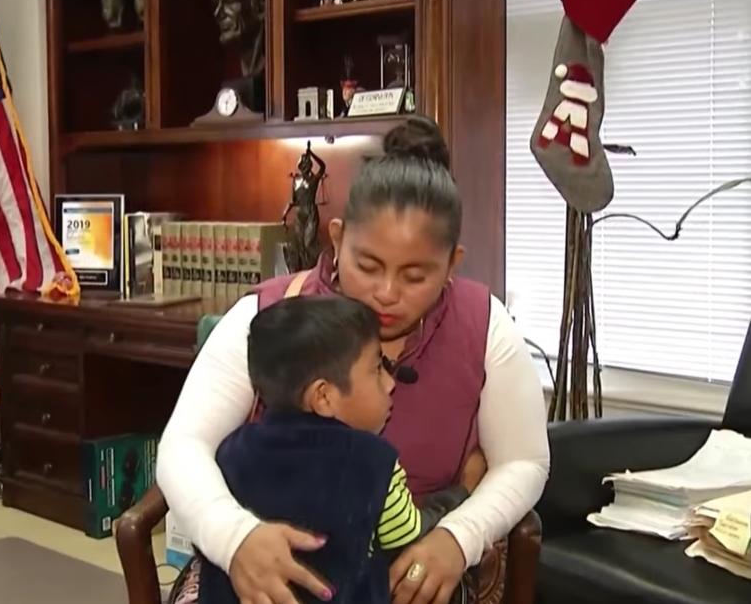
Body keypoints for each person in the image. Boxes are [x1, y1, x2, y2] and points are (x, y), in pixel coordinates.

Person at [157, 116, 550, 604]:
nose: (386, 295)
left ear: (452, 263)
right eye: (368, 265)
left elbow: (525, 461)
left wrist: (459, 537)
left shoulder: (484, 324)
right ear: (338, 238)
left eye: (415, 276)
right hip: (258, 557)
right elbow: (183, 445)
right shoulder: (270, 315)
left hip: (412, 566)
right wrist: (233, 537)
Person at [199, 295, 471, 604]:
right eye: (376, 369)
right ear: (324, 397)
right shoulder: (374, 461)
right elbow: (407, 536)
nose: (391, 383)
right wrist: (454, 500)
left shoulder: (229, 451)